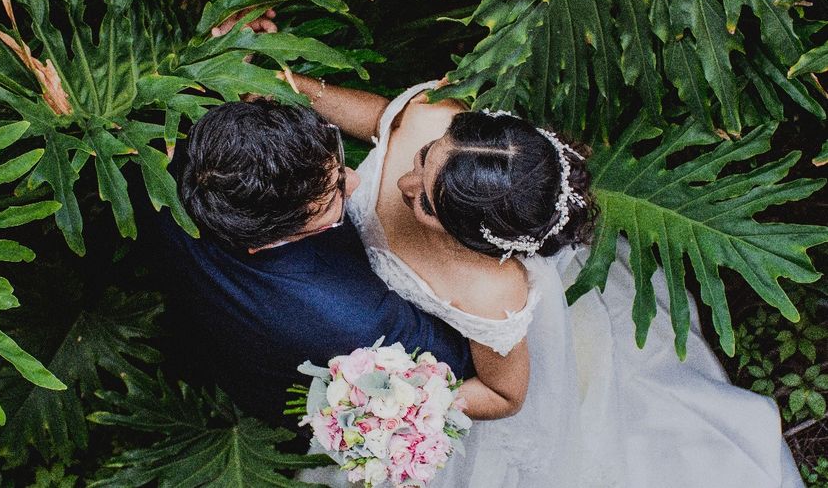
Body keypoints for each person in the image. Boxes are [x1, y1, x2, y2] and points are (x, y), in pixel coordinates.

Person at [293, 77, 804, 487]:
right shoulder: (434, 116)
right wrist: (298, 89)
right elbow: (388, 121)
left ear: (477, 241)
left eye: (426, 203)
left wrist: (401, 407)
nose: (404, 181)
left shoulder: (491, 294)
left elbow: (504, 394)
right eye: (426, 157)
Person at [155, 97, 475, 429]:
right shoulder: (353, 316)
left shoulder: (160, 162)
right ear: (264, 240)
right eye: (329, 202)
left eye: (334, 158)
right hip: (274, 389)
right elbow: (457, 361)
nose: (353, 180)